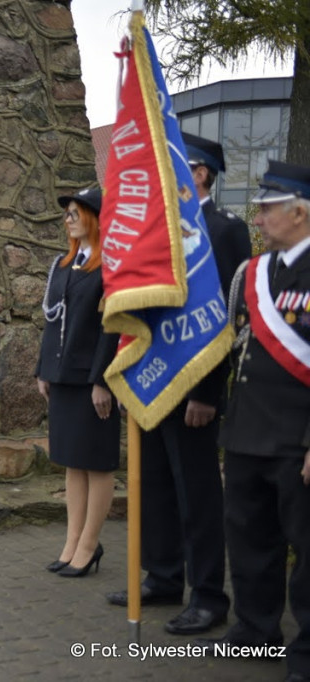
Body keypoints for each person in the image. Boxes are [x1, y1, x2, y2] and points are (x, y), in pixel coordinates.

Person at [105, 134, 250, 634]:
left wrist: (207, 392)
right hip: (153, 380)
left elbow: (226, 318)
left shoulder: (224, 230)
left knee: (198, 493)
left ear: (202, 173)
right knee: (156, 487)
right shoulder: (159, 229)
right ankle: (164, 575)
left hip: (193, 388)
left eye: (181, 165)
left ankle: (209, 594)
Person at [196, 161, 310, 677]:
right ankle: (255, 631)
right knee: (250, 541)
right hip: (247, 435)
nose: (258, 220)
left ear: (300, 212)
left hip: (296, 439)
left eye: (267, 209)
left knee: (306, 550)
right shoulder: (255, 273)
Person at [35, 187, 120, 578]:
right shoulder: (63, 265)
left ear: (95, 218)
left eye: (74, 212)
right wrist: (43, 369)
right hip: (64, 376)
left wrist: (102, 380)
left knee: (97, 464)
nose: (67, 219)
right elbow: (52, 323)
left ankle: (90, 544)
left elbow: (112, 328)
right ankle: (72, 542)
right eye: (66, 213)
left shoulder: (111, 267)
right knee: (72, 462)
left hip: (93, 380)